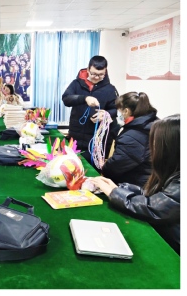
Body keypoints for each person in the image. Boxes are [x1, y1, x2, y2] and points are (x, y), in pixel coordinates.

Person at [92, 114, 180, 255]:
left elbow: (154, 209)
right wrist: (118, 188)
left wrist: (114, 193)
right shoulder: (173, 169)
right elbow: (155, 196)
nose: (152, 148)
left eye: (155, 143)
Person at [61, 55, 119, 157]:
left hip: (96, 139)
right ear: (88, 69)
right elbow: (66, 99)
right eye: (94, 74)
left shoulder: (110, 89)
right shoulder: (76, 84)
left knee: (92, 165)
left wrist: (105, 114)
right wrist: (84, 98)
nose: (96, 77)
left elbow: (115, 109)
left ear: (105, 71)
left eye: (101, 75)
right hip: (76, 136)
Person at [101, 92, 159, 187]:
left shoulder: (132, 136)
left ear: (126, 111)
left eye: (119, 110)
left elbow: (117, 165)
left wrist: (104, 169)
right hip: (150, 179)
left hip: (135, 184)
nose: (118, 114)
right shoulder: (153, 124)